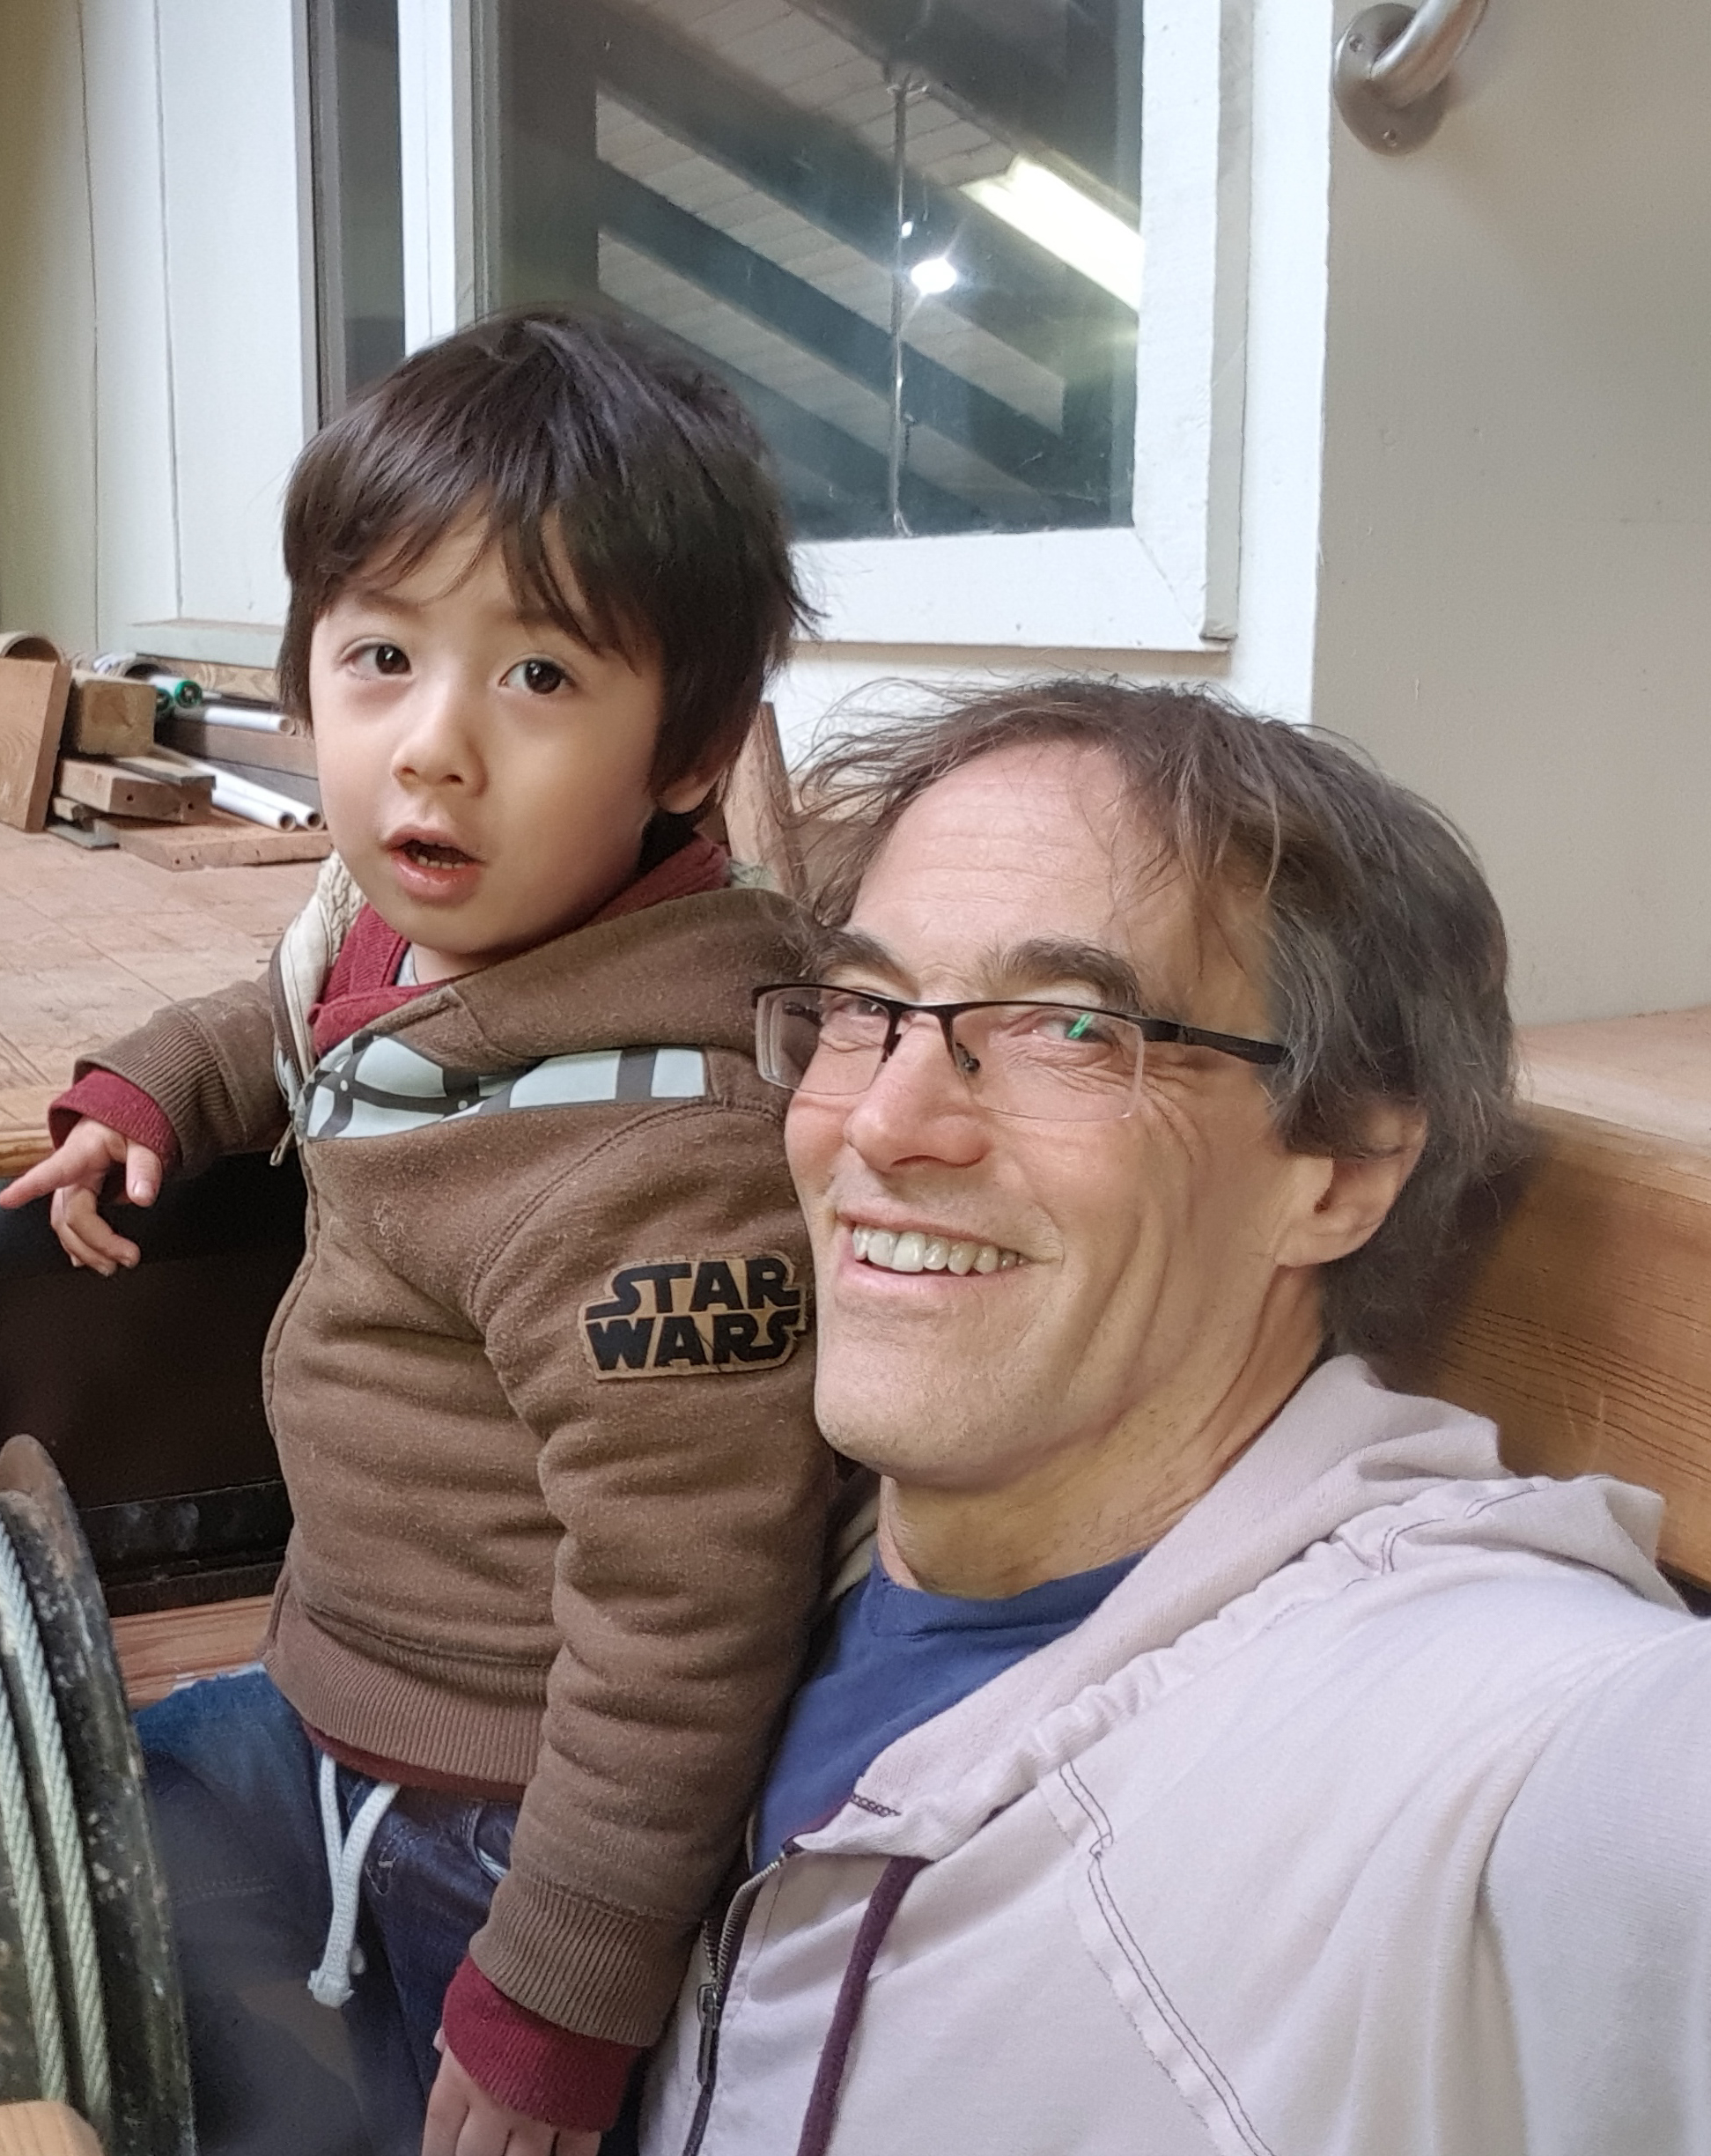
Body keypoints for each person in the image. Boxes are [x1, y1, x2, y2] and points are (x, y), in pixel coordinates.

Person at [644, 677, 1711, 2155]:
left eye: (1073, 1030)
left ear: (1335, 1174)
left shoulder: (1473, 1744)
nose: (887, 1122)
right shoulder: (752, 1543)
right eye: (863, 1008)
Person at [0, 307, 836, 2153]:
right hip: (332, 1681)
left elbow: (685, 1634)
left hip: (508, 1811)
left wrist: (559, 2000)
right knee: (32, 1853)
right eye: (383, 657)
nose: (434, 749)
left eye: (539, 680)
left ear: (689, 747)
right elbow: (300, 1016)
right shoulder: (429, 924)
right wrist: (147, 1089)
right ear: (305, 683)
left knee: (432, 2114)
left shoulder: (663, 1169)